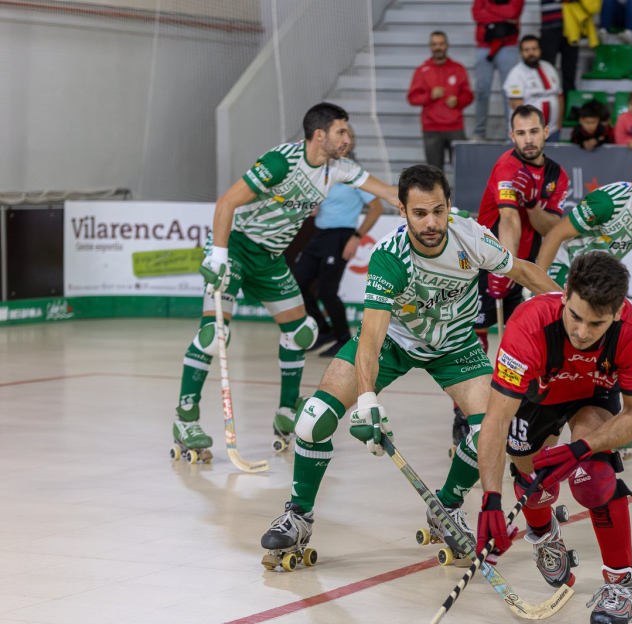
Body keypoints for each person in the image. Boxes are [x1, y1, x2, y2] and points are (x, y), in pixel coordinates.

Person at [259, 165, 561, 571]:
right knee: (312, 421)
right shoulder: (390, 257)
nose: (431, 222)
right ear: (402, 211)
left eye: (438, 210)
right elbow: (371, 338)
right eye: (420, 213)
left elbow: (524, 271)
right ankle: (298, 515)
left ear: (449, 205)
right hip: (395, 344)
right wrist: (367, 401)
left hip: (455, 346)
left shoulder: (470, 237)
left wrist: (571, 308)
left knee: (489, 430)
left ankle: (446, 508)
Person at [169, 103, 401, 463]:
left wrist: (432, 206)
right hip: (236, 249)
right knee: (214, 335)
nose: (348, 139)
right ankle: (186, 419)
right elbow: (227, 202)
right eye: (342, 131)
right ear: (320, 134)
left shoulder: (337, 169)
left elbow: (387, 192)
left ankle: (286, 413)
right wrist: (216, 254)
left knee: (302, 332)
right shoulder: (281, 163)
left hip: (270, 260)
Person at [473, 251, 632, 624]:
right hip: (539, 396)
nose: (583, 332)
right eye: (575, 316)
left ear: (619, 311)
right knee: (533, 482)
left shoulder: (631, 331)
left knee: (593, 481)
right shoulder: (529, 325)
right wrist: (490, 498)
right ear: (564, 294)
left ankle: (621, 585)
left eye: (597, 323)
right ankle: (542, 533)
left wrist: (582, 447)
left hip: (593, 394)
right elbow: (496, 419)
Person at [476, 105, 570, 359]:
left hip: (526, 262)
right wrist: (504, 264)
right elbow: (508, 218)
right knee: (477, 332)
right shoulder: (507, 166)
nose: (528, 139)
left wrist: (531, 204)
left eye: (534, 131)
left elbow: (551, 229)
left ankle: (517, 395)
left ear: (546, 132)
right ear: (512, 135)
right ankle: (464, 400)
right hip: (489, 257)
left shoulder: (557, 175)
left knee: (522, 335)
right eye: (521, 133)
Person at [536, 144, 632, 295]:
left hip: (597, 276)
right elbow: (555, 234)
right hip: (565, 264)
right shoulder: (607, 203)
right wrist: (536, 281)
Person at [292, 128, 384, 358]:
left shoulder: (355, 174)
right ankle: (324, 331)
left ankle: (343, 339)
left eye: (346, 136)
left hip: (341, 236)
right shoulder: (324, 171)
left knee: (327, 291)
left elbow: (377, 208)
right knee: (297, 283)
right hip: (320, 233)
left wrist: (356, 237)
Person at [408, 31, 474, 171]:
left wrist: (458, 100)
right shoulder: (422, 70)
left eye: (441, 44)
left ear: (447, 45)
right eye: (434, 44)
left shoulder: (458, 69)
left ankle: (460, 194)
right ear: (430, 46)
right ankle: (440, 194)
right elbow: (412, 97)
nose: (438, 47)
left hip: (455, 126)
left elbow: (468, 95)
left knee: (462, 169)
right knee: (434, 172)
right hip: (431, 127)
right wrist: (429, 96)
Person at [473, 0, 525, 140]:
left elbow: (513, 12)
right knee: (482, 91)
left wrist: (489, 8)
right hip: (484, 45)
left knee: (510, 93)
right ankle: (479, 133)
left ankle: (511, 133)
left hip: (508, 45)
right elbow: (477, 14)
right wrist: (505, 17)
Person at [505, 36, 565, 140]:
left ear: (540, 50)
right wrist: (532, 133)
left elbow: (559, 97)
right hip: (528, 136)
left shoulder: (549, 67)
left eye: (534, 49)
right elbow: (518, 109)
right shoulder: (516, 74)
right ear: (521, 52)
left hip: (553, 131)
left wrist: (559, 124)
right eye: (526, 50)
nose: (531, 53)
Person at [539, 0, 579, 93]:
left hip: (571, 29)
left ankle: (568, 105)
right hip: (549, 28)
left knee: (569, 74)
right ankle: (546, 102)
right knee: (546, 70)